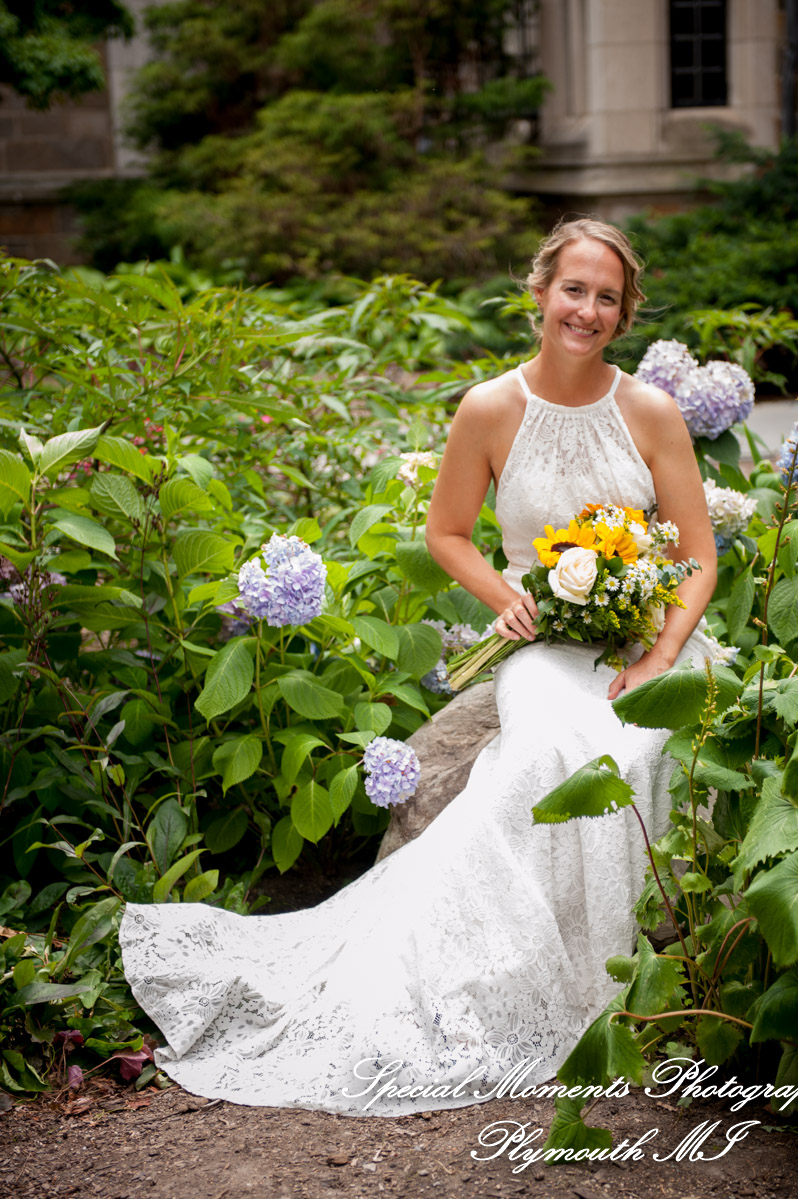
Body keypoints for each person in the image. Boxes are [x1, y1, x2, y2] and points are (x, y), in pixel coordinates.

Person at [119, 218, 717, 1117]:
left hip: (647, 642)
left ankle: (634, 976)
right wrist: (503, 596)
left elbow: (700, 556)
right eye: (572, 289)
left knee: (644, 748)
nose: (585, 310)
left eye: (606, 296)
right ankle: (504, 975)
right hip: (546, 646)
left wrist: (664, 652)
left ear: (624, 312)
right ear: (539, 292)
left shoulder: (651, 413)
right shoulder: (488, 408)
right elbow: (445, 533)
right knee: (550, 752)